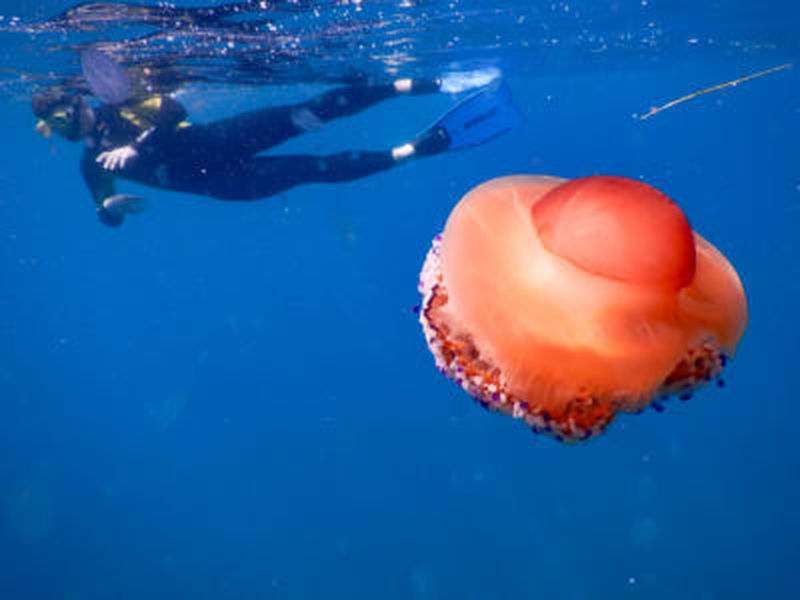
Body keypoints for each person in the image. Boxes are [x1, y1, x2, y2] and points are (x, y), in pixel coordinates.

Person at [32, 70, 518, 227]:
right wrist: (109, 206)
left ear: (79, 103)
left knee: (308, 113)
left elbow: (172, 108)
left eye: (62, 116)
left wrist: (137, 148)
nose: (64, 126)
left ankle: (426, 83)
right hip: (227, 183)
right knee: (315, 167)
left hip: (224, 139)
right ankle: (415, 150)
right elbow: (104, 209)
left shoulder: (121, 105)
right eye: (54, 124)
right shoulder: (90, 163)